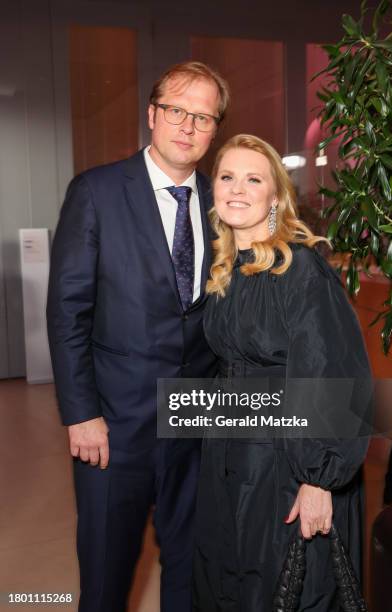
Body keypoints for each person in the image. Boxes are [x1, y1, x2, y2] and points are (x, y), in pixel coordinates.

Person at [46, 61, 230, 612]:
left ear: (215, 128)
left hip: (197, 425)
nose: (188, 126)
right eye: (177, 110)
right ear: (152, 114)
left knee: (192, 569)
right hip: (113, 426)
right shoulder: (97, 191)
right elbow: (68, 309)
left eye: (203, 116)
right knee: (105, 575)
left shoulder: (225, 203)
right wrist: (80, 413)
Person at [193, 134, 371, 612]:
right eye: (227, 177)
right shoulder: (225, 270)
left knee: (285, 585)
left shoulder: (301, 268)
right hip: (231, 451)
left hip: (288, 463)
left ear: (275, 198)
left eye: (253, 179)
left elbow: (331, 375)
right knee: (233, 578)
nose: (236, 188)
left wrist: (319, 480)